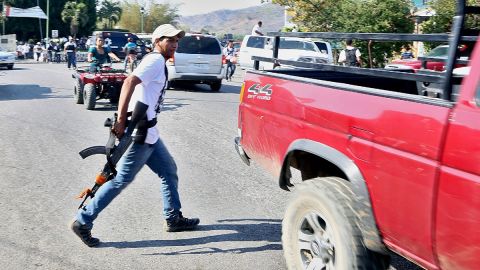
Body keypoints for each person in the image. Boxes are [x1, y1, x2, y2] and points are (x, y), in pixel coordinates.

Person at [70, 24, 200, 247]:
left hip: (149, 131)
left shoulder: (157, 61)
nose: (175, 44)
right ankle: (83, 221)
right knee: (120, 179)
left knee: (168, 170)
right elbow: (130, 81)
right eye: (170, 40)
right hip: (140, 133)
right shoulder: (155, 60)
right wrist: (121, 119)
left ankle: (173, 218)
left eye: (177, 40)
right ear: (157, 41)